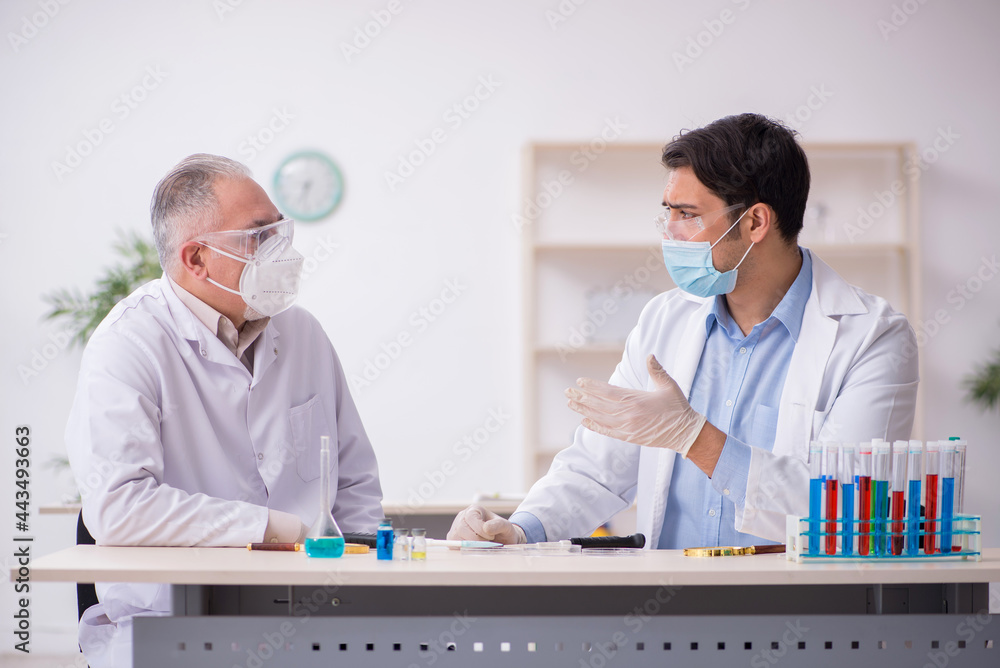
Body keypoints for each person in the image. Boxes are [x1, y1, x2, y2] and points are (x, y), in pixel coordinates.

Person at [449, 113, 918, 548]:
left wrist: (694, 437)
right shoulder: (665, 320)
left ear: (754, 221)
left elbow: (849, 508)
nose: (668, 231)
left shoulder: (872, 338)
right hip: (669, 612)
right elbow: (598, 469)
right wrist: (519, 529)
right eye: (667, 211)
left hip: (796, 612)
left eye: (688, 214)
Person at [66, 154, 383, 666]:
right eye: (259, 236)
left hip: (307, 619)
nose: (281, 250)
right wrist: (270, 529)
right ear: (196, 259)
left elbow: (354, 483)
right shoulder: (129, 344)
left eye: (281, 230)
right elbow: (119, 508)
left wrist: (363, 588)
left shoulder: (303, 334)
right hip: (169, 627)